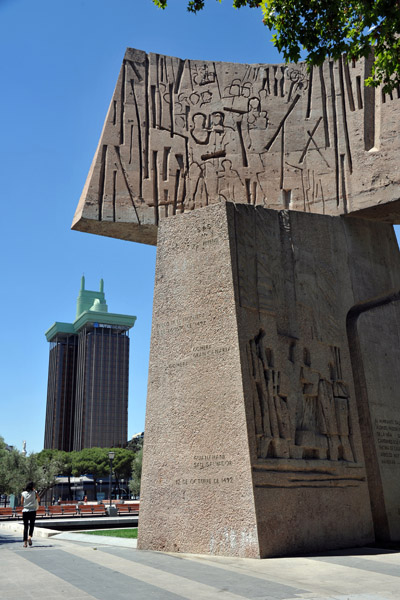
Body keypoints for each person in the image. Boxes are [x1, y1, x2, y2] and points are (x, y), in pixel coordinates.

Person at [21, 482, 40, 548]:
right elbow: (39, 499)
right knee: (31, 525)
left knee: (25, 527)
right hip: (32, 511)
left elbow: (21, 502)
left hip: (25, 511)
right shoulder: (34, 492)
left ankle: (25, 543)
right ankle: (29, 537)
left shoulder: (23, 493)